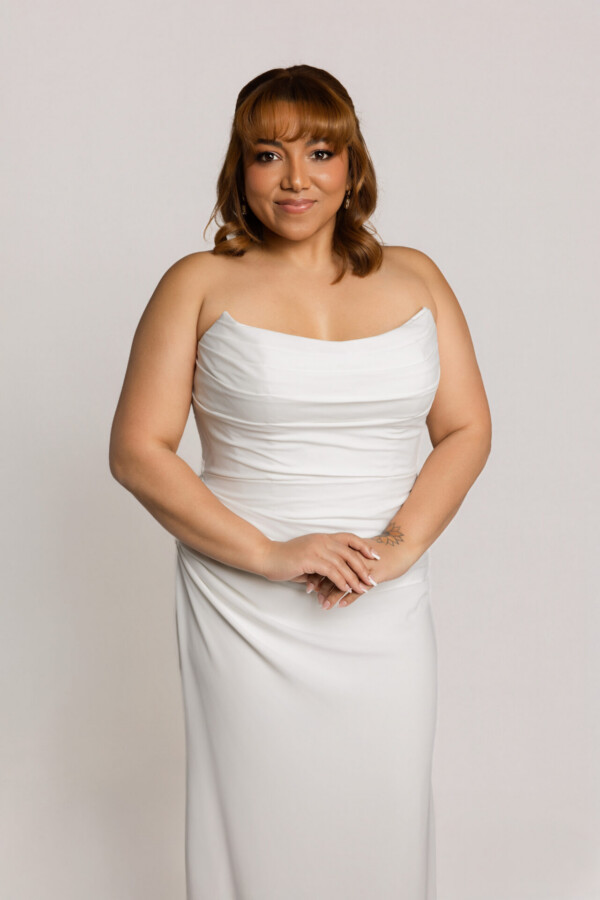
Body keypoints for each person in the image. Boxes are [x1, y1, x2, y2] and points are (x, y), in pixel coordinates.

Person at [109, 64, 492, 900]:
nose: (295, 179)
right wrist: (273, 554)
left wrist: (396, 548)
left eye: (320, 151)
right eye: (267, 154)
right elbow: (139, 450)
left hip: (383, 601)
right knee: (262, 823)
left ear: (352, 166)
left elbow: (466, 430)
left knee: (382, 819)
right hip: (246, 599)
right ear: (238, 170)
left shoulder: (417, 276)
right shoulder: (196, 283)